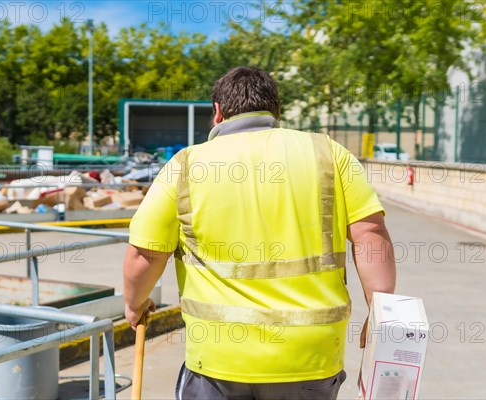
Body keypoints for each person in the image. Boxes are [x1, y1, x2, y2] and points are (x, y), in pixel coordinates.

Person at [124, 66, 396, 399]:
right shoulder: (329, 153)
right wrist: (381, 312)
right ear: (275, 110)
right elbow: (370, 233)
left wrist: (134, 304)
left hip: (218, 357)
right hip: (310, 355)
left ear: (218, 112)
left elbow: (145, 254)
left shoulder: (184, 165)